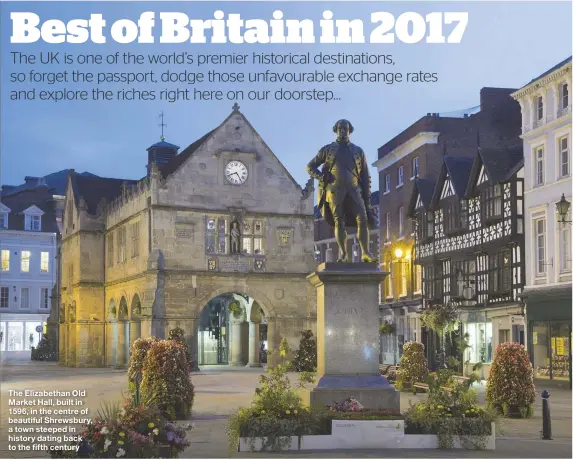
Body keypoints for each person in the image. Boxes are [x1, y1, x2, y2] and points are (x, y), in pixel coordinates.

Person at [306, 119, 377, 263]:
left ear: (350, 131)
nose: (343, 131)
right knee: (339, 221)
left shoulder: (358, 151)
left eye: (345, 129)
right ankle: (343, 254)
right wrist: (321, 176)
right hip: (334, 190)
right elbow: (310, 166)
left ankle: (365, 253)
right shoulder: (327, 149)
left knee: (362, 218)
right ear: (336, 130)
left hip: (354, 190)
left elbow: (365, 175)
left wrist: (367, 199)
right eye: (340, 129)